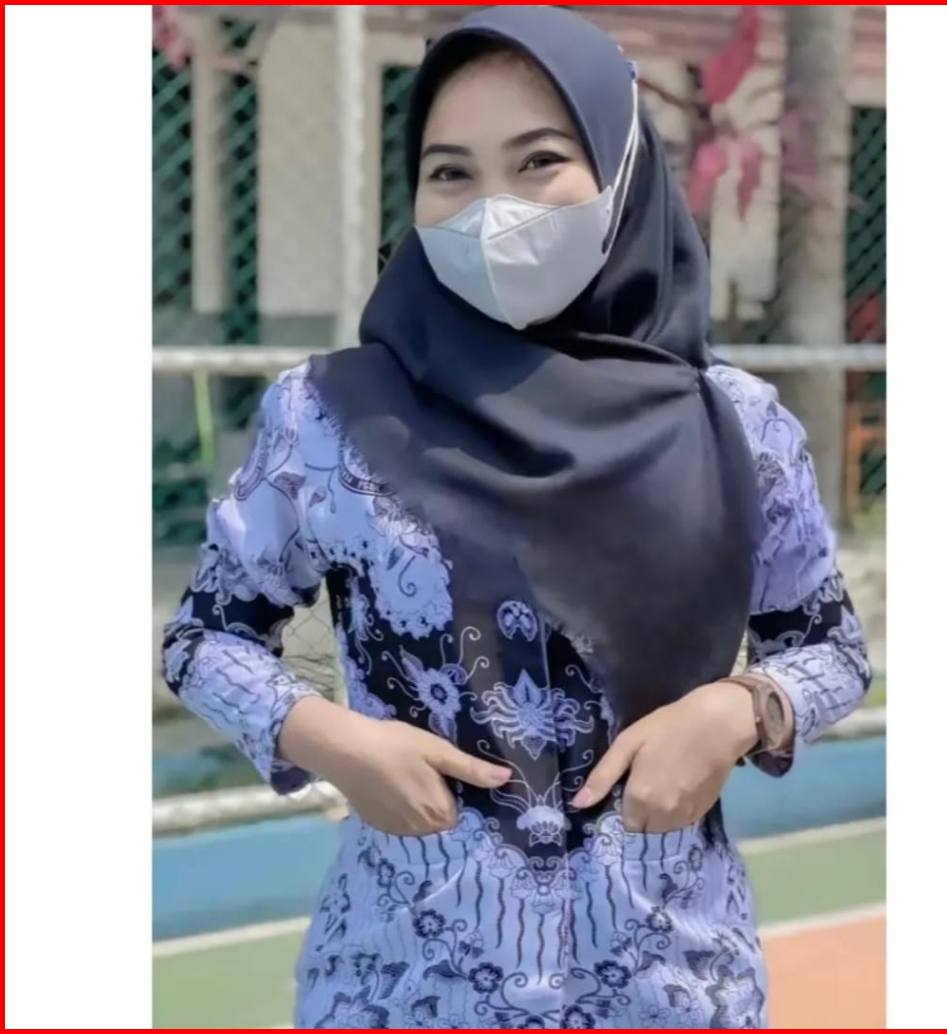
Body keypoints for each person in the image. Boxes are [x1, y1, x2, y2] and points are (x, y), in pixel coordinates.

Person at [163, 6, 871, 1028]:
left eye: (538, 161)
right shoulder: (326, 416)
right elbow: (205, 637)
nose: (492, 209)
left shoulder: (736, 426)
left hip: (669, 983)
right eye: (449, 172)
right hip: (401, 982)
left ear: (621, 175)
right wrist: (327, 738)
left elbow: (827, 646)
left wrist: (740, 710)